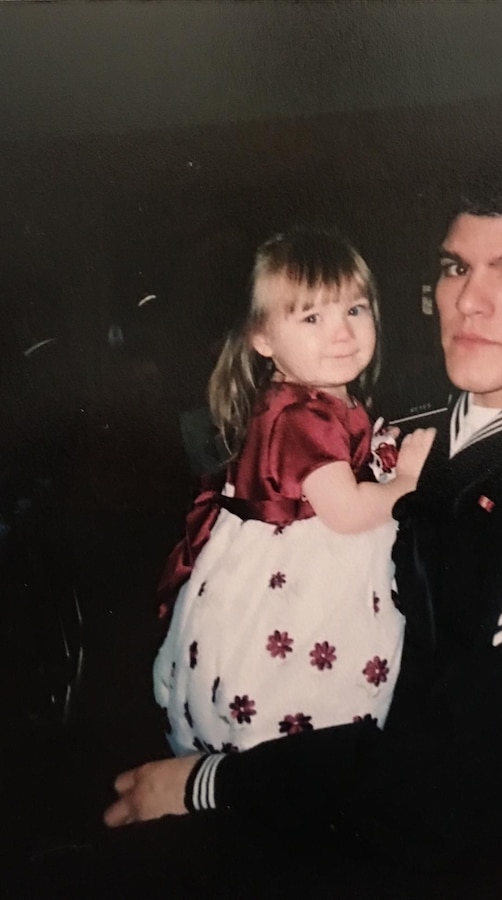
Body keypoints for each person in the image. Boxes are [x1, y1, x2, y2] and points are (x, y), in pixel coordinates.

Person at [33, 168, 502, 898]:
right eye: (456, 267)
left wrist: (213, 783)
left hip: (394, 852)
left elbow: (453, 788)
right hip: (305, 761)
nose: (468, 299)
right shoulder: (429, 422)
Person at [153, 228, 435, 756]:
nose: (342, 334)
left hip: (273, 566)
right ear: (262, 337)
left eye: (355, 309)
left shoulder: (311, 398)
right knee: (309, 693)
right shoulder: (305, 416)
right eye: (312, 317)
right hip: (302, 586)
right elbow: (349, 512)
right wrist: (407, 481)